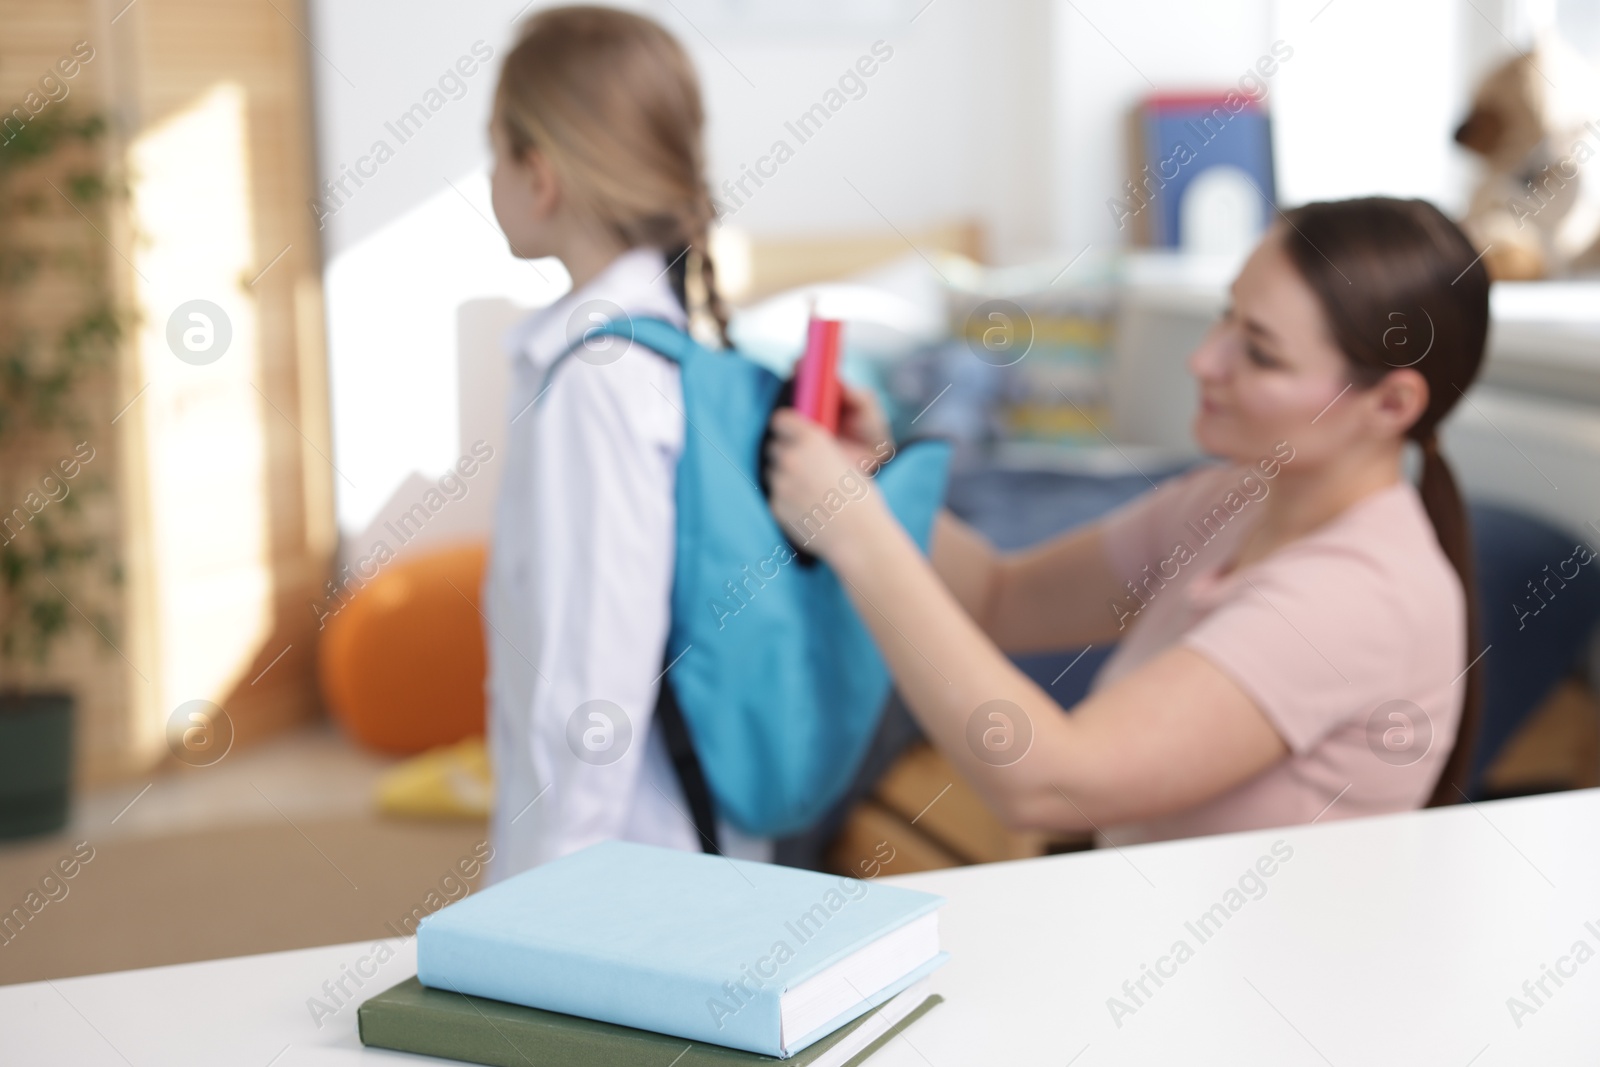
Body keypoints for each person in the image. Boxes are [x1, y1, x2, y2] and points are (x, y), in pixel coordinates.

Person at [765, 198, 1489, 846]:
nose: (1205, 360)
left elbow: (1049, 783)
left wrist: (858, 536)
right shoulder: (1231, 500)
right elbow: (1000, 597)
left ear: (1391, 405)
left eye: (1260, 352)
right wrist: (881, 478)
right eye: (1225, 317)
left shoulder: (1357, 597)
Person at [480, 6, 768, 879]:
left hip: (621, 862)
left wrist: (553, 885)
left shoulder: (598, 373)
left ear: (541, 176)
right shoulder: (643, 345)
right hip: (656, 844)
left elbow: (592, 668)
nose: (488, 176)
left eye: (494, 152)